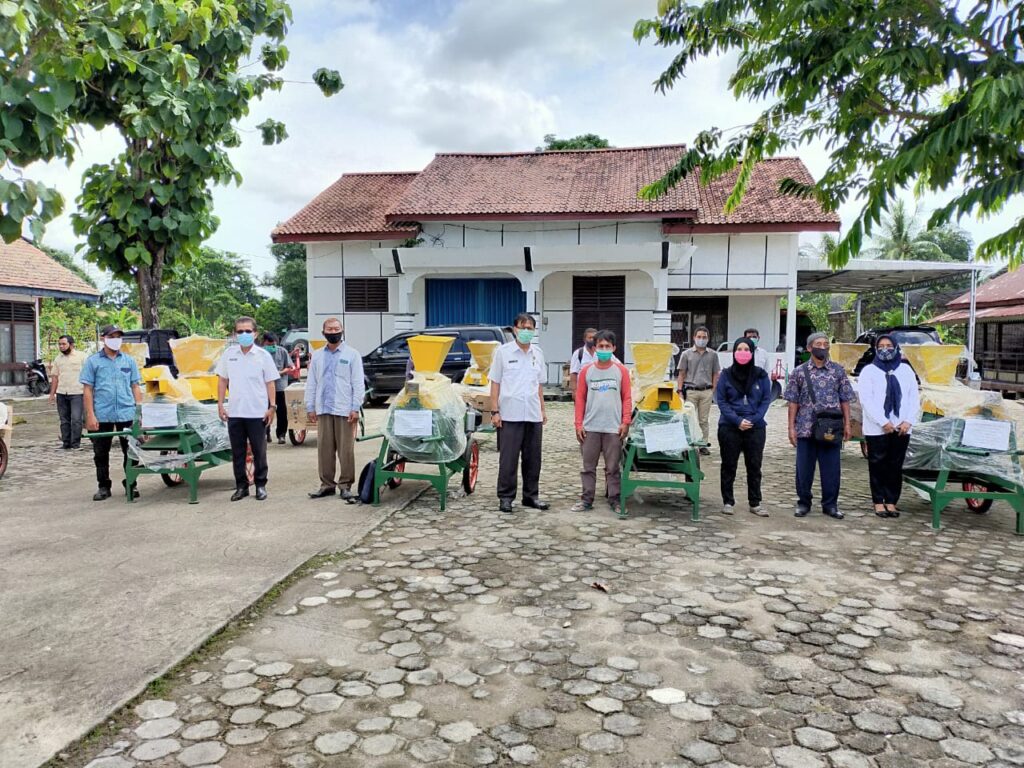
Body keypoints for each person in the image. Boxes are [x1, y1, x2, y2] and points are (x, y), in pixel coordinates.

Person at [784, 331, 854, 519]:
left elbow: (846, 399)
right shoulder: (799, 372)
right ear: (809, 348)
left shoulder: (838, 371)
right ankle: (803, 502)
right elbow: (793, 401)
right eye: (818, 344)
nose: (822, 347)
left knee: (831, 469)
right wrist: (791, 427)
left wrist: (848, 424)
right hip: (806, 427)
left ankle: (830, 505)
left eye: (825, 344)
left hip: (831, 428)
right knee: (804, 469)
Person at [216, 317, 279, 501]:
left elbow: (270, 383)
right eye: (240, 331)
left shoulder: (263, 356)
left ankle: (260, 485)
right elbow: (222, 380)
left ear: (255, 333)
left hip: (257, 413)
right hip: (235, 413)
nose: (244, 334)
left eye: (248, 331)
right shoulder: (229, 354)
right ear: (235, 334)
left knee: (259, 452)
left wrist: (272, 407)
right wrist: (220, 404)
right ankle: (241, 486)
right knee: (238, 453)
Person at [490, 313, 548, 513]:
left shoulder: (537, 353)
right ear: (515, 329)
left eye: (530, 328)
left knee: (533, 459)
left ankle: (531, 496)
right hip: (510, 414)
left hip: (533, 414)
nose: (526, 331)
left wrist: (542, 409)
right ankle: (506, 497)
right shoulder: (503, 353)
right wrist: (494, 411)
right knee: (509, 459)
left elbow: (538, 385)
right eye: (522, 327)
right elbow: (495, 383)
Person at [858, 334, 920, 518]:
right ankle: (878, 501)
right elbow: (866, 400)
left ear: (896, 348)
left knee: (895, 465)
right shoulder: (869, 371)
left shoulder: (906, 370)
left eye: (889, 345)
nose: (885, 349)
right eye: (881, 345)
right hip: (877, 428)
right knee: (877, 464)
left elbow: (914, 398)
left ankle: (891, 501)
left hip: (902, 427)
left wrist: (908, 420)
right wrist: (883, 422)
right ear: (876, 349)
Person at [305, 318, 364, 503]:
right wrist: (310, 406)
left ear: (342, 331)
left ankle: (345, 486)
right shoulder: (317, 355)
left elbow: (357, 383)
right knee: (324, 449)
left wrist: (355, 407)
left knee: (345, 450)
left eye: (337, 329)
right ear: (323, 332)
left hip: (344, 409)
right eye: (329, 329)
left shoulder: (352, 354)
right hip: (323, 409)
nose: (333, 332)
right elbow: (312, 382)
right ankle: (326, 485)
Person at [81, 325, 143, 500]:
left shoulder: (129, 361)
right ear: (103, 338)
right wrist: (90, 415)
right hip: (102, 414)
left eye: (118, 336)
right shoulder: (93, 362)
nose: (116, 340)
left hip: (126, 412)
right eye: (112, 336)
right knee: (100, 453)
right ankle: (103, 486)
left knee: (131, 451)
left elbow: (135, 387)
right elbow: (87, 390)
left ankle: (131, 483)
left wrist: (139, 412)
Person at [573, 330, 632, 513]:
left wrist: (625, 422)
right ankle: (586, 500)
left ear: (614, 348)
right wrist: (578, 424)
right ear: (595, 347)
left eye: (608, 346)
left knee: (613, 468)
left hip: (613, 428)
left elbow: (627, 398)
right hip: (590, 427)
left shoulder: (621, 371)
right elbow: (580, 398)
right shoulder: (586, 371)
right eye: (600, 346)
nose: (604, 349)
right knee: (588, 467)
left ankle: (615, 499)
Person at [716, 338, 771, 517]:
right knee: (729, 465)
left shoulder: (761, 375)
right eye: (739, 349)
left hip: (755, 427)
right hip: (730, 426)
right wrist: (737, 420)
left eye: (746, 349)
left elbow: (765, 400)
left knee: (754, 466)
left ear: (752, 352)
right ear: (733, 352)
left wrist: (754, 420)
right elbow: (722, 401)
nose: (742, 352)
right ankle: (728, 501)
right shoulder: (726, 374)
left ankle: (755, 502)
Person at [676, 326, 720, 455]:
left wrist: (712, 389)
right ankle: (686, 445)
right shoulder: (686, 354)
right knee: (688, 418)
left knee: (703, 420)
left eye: (704, 337)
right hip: (691, 390)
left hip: (706, 391)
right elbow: (681, 374)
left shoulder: (713, 355)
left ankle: (702, 444)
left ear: (708, 338)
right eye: (699, 337)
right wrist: (679, 391)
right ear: (694, 338)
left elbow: (716, 373)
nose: (701, 339)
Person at [49, 334, 88, 450]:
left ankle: (75, 444)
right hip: (62, 393)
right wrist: (52, 394)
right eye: (59, 344)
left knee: (76, 419)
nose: (61, 346)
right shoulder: (58, 359)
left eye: (64, 344)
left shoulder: (82, 357)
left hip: (77, 393)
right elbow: (55, 377)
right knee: (64, 420)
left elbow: (89, 375)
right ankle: (66, 443)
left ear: (71, 344)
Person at [262, 332, 292, 445]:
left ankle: (281, 435)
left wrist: (279, 372)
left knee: (282, 412)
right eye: (269, 344)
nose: (271, 346)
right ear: (264, 342)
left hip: (280, 386)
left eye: (273, 344)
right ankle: (265, 433)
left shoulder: (282, 351)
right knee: (264, 411)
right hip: (264, 388)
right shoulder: (260, 353)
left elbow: (289, 367)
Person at [568, 328, 598, 394]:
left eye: (594, 338)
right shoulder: (578, 353)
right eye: (589, 337)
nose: (592, 340)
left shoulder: (601, 353)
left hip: (598, 390)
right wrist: (574, 391)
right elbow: (573, 373)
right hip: (582, 390)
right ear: (584, 339)